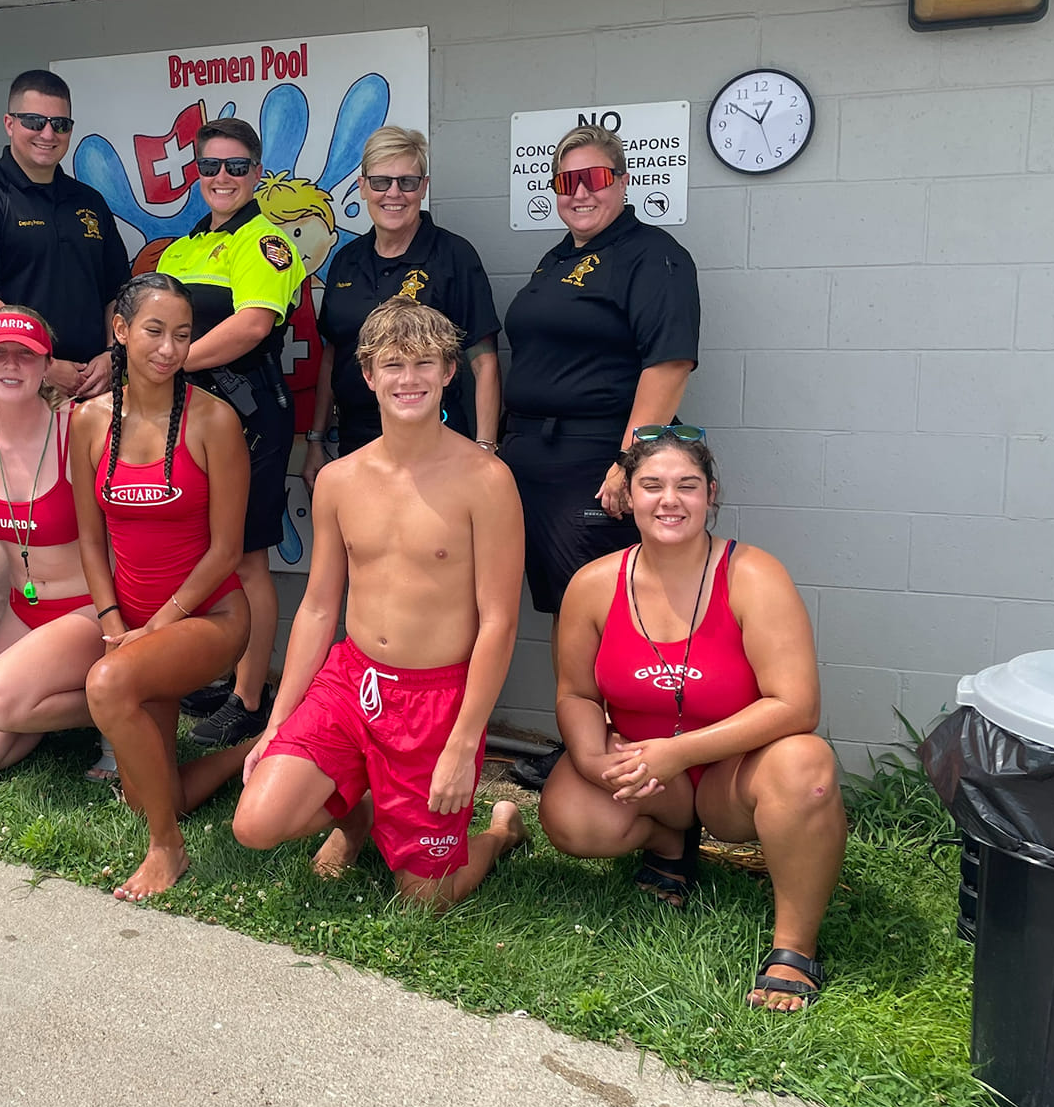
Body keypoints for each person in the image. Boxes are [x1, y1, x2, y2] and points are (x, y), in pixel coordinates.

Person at [538, 427, 843, 1012]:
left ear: (711, 495)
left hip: (734, 775)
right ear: (628, 496)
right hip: (654, 777)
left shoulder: (754, 575)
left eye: (687, 485)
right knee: (571, 816)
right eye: (651, 485)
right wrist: (592, 759)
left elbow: (796, 705)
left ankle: (794, 948)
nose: (669, 500)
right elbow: (575, 694)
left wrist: (680, 751)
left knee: (807, 765)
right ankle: (670, 842)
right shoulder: (594, 584)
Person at [234, 299, 527, 907]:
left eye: (425, 363)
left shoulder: (486, 481)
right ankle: (361, 811)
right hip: (354, 682)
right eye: (393, 365)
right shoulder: (340, 479)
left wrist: (464, 744)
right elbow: (318, 608)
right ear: (367, 375)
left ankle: (499, 832)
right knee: (255, 823)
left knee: (426, 896)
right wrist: (280, 719)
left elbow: (498, 622)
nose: (408, 379)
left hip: (435, 698)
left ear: (450, 372)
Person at [500, 124, 699, 790]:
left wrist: (628, 462)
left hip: (594, 458)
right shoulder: (556, 259)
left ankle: (623, 751)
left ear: (622, 180)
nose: (580, 193)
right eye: (567, 181)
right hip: (532, 457)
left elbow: (667, 364)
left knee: (609, 608)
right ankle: (583, 742)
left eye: (594, 179)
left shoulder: (654, 257)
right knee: (569, 605)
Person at [72, 274, 251, 903]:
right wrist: (111, 620)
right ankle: (251, 753)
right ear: (120, 331)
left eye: (182, 334)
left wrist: (156, 627)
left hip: (209, 618)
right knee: (152, 789)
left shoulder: (215, 421)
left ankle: (165, 847)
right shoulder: (90, 422)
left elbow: (226, 550)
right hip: (134, 622)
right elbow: (90, 539)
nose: (169, 348)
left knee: (107, 683)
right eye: (154, 331)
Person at [154, 118, 303, 750]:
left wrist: (166, 362)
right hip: (185, 420)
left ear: (257, 174)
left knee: (245, 559)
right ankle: (211, 671)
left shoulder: (268, 243)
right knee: (198, 550)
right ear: (195, 171)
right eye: (210, 166)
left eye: (236, 166)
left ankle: (247, 698)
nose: (222, 177)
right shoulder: (177, 249)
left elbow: (251, 325)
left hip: (248, 418)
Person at [0, 309, 109, 775]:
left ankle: (125, 701)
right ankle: (58, 699)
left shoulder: (79, 427)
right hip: (23, 611)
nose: (11, 366)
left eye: (26, 355)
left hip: (86, 611)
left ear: (47, 363)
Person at [302, 124, 501, 476]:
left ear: (423, 188)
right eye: (380, 182)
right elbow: (333, 355)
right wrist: (316, 440)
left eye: (407, 182)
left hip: (435, 438)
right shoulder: (346, 260)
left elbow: (483, 362)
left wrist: (485, 449)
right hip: (357, 441)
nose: (394, 193)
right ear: (362, 187)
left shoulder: (454, 255)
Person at [0, 68, 129, 400]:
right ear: (10, 124)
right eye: (33, 121)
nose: (48, 133)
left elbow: (117, 292)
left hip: (95, 386)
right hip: (18, 390)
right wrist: (43, 364)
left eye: (60, 124)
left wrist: (114, 355)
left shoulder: (89, 201)